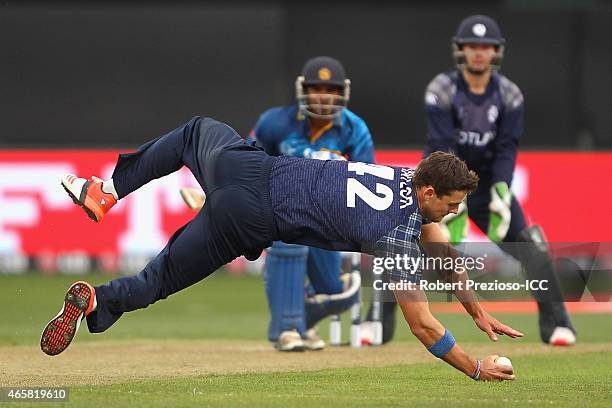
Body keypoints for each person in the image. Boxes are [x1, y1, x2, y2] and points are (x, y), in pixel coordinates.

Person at [41, 117, 522, 381]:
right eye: (453, 205)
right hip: (251, 218)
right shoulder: (395, 234)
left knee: (195, 131)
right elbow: (422, 324)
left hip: (246, 167)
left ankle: (108, 191)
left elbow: (441, 250)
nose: (455, 214)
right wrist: (474, 368)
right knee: (160, 280)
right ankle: (104, 299)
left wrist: (475, 309)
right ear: (429, 193)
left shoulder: (404, 175)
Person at [179, 56, 394, 350]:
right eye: (317, 89)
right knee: (289, 240)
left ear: (342, 92)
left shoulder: (354, 130)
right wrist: (217, 192)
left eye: (330, 90)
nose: (323, 96)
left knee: (337, 291)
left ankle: (303, 321)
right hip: (277, 209)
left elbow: (368, 180)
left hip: (329, 217)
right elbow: (240, 161)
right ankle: (287, 328)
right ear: (303, 90)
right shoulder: (276, 122)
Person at [423, 14, 575, 345]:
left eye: (486, 47)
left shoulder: (510, 95)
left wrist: (502, 192)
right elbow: (440, 146)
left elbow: (507, 147)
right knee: (403, 246)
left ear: (496, 52)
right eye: (473, 46)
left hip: (488, 189)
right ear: (461, 50)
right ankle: (375, 326)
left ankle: (558, 326)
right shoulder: (442, 89)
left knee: (532, 245)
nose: (479, 53)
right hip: (441, 186)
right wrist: (449, 199)